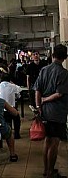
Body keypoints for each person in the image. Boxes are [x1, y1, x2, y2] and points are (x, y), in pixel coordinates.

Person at [34, 44, 68, 178]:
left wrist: (38, 106)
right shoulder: (64, 73)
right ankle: (50, 172)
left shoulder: (44, 69)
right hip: (57, 112)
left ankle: (46, 170)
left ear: (52, 56)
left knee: (47, 141)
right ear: (65, 58)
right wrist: (45, 100)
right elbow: (59, 94)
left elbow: (37, 89)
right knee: (54, 142)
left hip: (44, 112)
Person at [0, 73, 22, 139]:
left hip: (1, 111)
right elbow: (20, 89)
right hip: (11, 110)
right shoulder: (12, 86)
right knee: (17, 118)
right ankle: (17, 134)